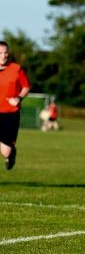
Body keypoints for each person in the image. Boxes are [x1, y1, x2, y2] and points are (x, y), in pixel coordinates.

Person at [0, 41, 31, 170]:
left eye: (6, 52)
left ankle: (11, 154)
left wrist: (18, 98)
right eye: (0, 53)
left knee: (5, 152)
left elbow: (26, 87)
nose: (3, 56)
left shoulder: (16, 69)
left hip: (10, 114)